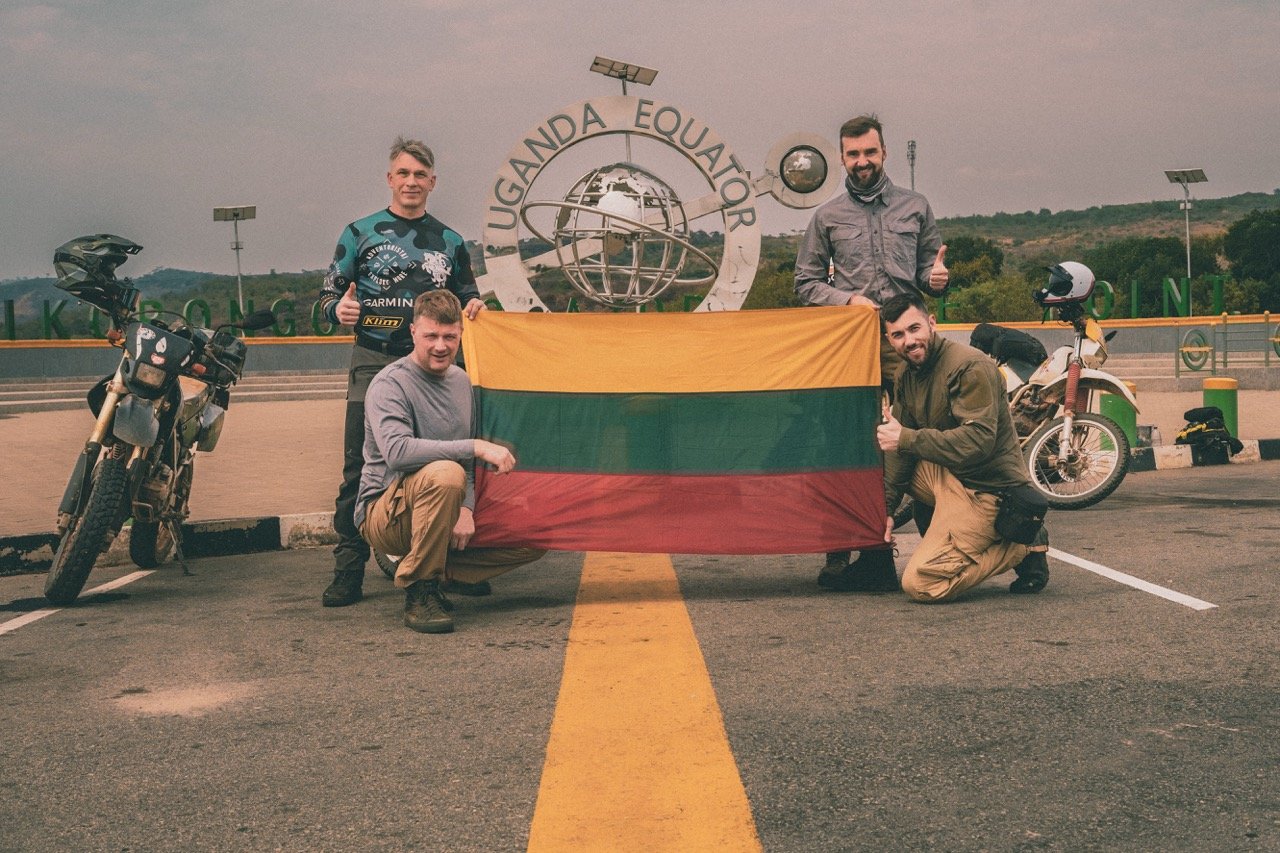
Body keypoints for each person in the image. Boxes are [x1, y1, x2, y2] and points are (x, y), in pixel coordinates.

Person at [318, 136, 487, 608]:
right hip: (374, 359)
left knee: (446, 460)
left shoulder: (451, 241)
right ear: (390, 179)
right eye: (403, 173)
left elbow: (469, 298)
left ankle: (450, 561)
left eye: (420, 174)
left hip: (435, 367)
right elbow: (329, 297)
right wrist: (339, 311)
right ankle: (348, 566)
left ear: (432, 182)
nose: (411, 181)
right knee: (359, 465)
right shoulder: (359, 232)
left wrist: (474, 306)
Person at [794, 113, 950, 590]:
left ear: (883, 153)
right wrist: (847, 299)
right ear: (842, 157)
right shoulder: (826, 217)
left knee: (925, 436)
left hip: (908, 342)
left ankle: (939, 544)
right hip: (854, 346)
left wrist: (936, 280)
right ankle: (845, 552)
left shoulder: (916, 206)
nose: (862, 162)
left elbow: (929, 271)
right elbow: (805, 282)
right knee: (851, 443)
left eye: (870, 152)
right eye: (853, 154)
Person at [356, 290, 545, 633]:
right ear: (413, 332)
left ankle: (445, 573)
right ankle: (420, 591)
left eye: (449, 336)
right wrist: (474, 446)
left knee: (535, 528)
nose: (440, 346)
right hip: (387, 513)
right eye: (430, 336)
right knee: (447, 473)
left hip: (448, 498)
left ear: (460, 333)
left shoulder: (461, 381)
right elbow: (398, 453)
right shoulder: (390, 384)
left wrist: (467, 508)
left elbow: (469, 470)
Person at [843, 291, 1050, 601]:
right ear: (889, 340)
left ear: (932, 323)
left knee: (920, 585)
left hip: (987, 491)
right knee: (889, 455)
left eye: (914, 329)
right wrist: (885, 509)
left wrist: (906, 438)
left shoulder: (969, 368)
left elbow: (977, 443)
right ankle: (943, 524)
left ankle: (1019, 547)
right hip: (950, 474)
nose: (908, 341)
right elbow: (901, 447)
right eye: (897, 335)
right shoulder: (905, 374)